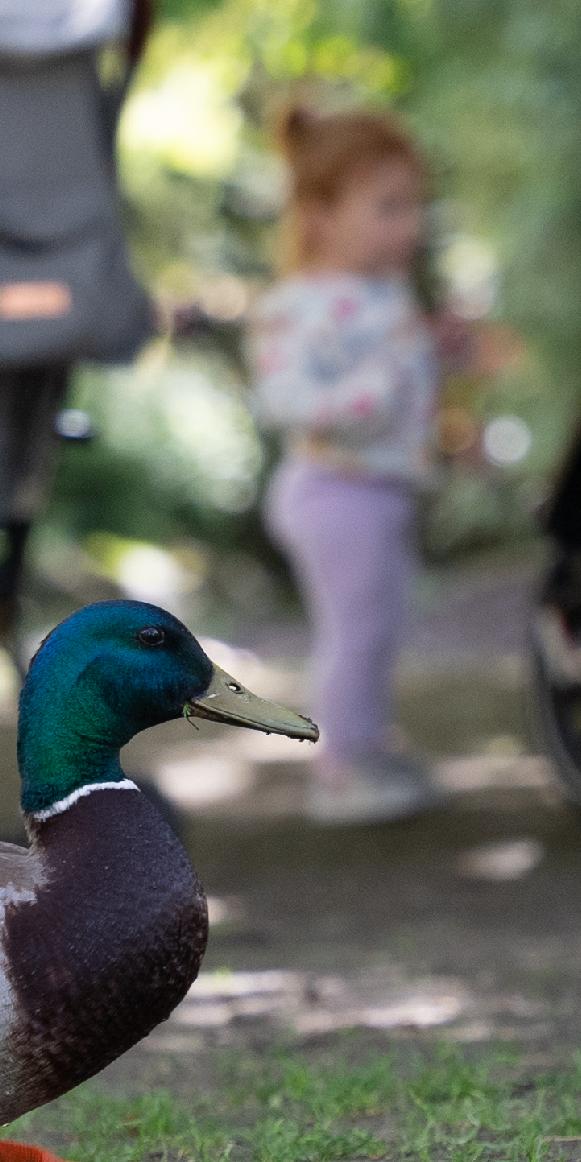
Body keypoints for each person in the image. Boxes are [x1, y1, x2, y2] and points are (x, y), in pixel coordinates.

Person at [249, 102, 460, 827]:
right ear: (320, 214)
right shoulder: (299, 305)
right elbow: (288, 397)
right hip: (334, 491)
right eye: (389, 206)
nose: (412, 224)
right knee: (355, 629)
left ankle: (369, 747)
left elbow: (408, 375)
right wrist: (382, 386)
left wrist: (442, 352)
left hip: (380, 489)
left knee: (385, 621)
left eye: (414, 206)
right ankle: (339, 769)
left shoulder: (383, 295)